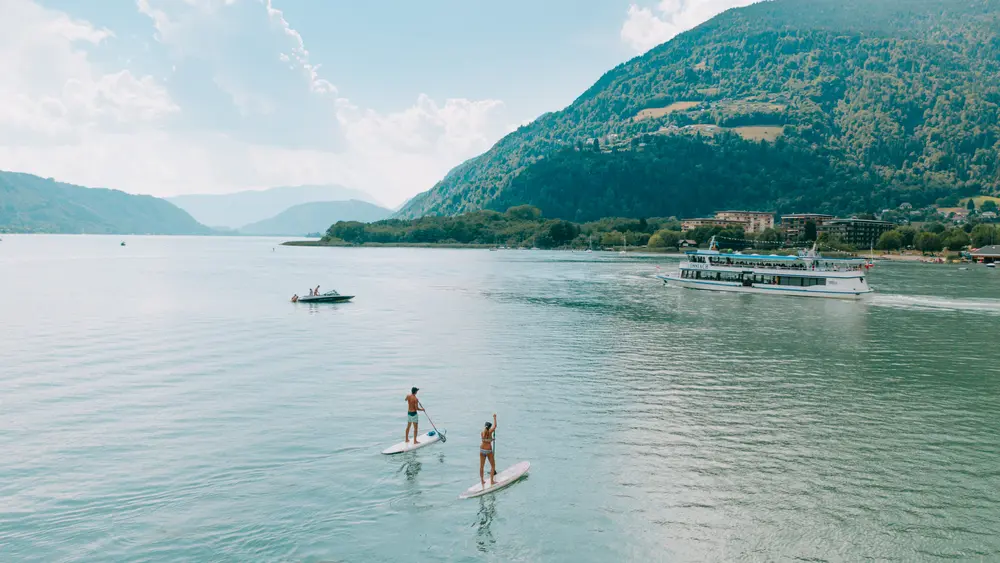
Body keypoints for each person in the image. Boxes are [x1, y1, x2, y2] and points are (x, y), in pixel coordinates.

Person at [480, 413, 497, 487]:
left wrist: (490, 439)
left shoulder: (482, 433)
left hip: (482, 450)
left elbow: (484, 439)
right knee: (493, 466)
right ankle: (492, 481)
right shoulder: (490, 431)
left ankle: (482, 481)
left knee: (481, 466)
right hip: (488, 450)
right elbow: (495, 426)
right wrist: (494, 417)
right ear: (489, 427)